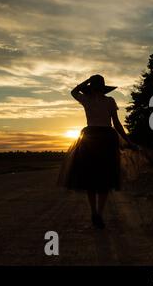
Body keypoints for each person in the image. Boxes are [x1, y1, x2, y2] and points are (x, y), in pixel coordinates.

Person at [58, 74, 139, 229]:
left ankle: (95, 213)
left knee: (93, 179)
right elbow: (116, 124)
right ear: (103, 87)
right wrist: (128, 142)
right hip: (104, 138)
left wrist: (86, 82)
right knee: (102, 178)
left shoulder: (88, 100)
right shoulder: (108, 101)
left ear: (92, 87)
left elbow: (73, 92)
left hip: (93, 138)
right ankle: (98, 214)